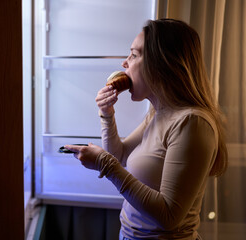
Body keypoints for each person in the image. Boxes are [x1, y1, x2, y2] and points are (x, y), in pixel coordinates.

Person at [64, 19, 228, 240]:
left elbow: (169, 216)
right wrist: (107, 114)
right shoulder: (159, 112)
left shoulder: (192, 123)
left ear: (161, 63)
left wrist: (105, 164)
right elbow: (119, 156)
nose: (125, 63)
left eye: (133, 54)